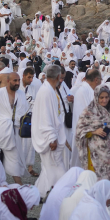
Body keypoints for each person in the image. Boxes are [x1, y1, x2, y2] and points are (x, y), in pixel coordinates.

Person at [75, 85, 110, 189]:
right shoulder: (89, 111)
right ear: (96, 97)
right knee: (99, 180)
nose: (104, 100)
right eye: (101, 98)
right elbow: (80, 130)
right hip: (97, 155)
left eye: (106, 97)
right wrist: (94, 131)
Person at [33, 64, 70, 198]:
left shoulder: (49, 90)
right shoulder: (46, 92)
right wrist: (52, 137)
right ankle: (58, 193)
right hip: (50, 138)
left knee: (49, 167)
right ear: (58, 77)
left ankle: (41, 192)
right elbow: (45, 117)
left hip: (54, 135)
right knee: (55, 167)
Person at [0, 72, 27, 184]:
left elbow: (25, 112)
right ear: (8, 81)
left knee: (14, 160)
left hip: (13, 133)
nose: (17, 83)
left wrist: (15, 121)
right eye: (15, 80)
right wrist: (6, 122)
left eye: (18, 80)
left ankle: (19, 186)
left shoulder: (21, 95)